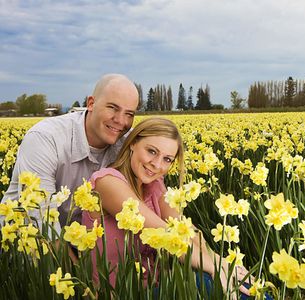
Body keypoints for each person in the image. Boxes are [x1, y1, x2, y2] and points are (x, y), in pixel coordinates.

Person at [82, 118, 253, 298]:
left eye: (167, 159)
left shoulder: (154, 185)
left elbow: (185, 230)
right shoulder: (107, 182)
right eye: (151, 151)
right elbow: (167, 234)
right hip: (120, 294)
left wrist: (222, 263)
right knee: (215, 283)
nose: (157, 164)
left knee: (237, 280)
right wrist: (215, 268)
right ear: (132, 143)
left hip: (157, 288)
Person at [1, 73, 139, 234]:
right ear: (91, 103)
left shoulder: (130, 144)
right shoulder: (46, 138)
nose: (121, 121)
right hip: (24, 243)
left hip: (82, 243)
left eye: (129, 114)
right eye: (112, 108)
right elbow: (41, 224)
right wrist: (77, 261)